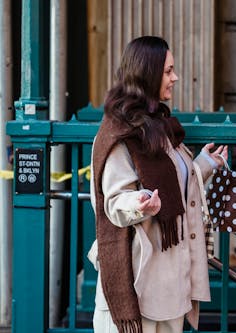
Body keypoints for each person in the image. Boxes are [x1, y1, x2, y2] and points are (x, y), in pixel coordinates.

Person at [87, 36, 227, 333]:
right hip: (137, 283)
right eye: (168, 71)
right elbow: (114, 202)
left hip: (170, 283)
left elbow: (172, 183)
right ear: (147, 73)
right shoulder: (118, 133)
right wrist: (140, 203)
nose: (175, 78)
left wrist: (202, 165)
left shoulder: (161, 127)